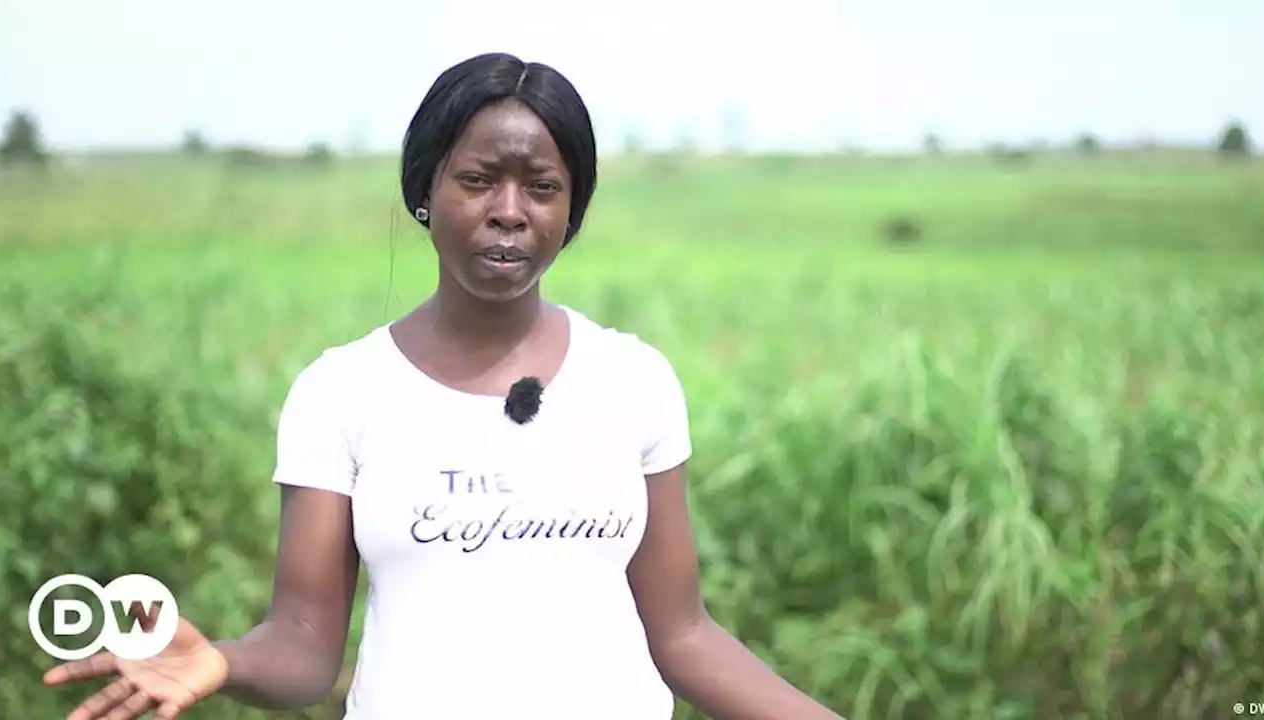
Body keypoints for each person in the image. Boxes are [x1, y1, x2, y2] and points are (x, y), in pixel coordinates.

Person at [42, 52, 845, 720]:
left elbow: (684, 636)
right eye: (478, 180)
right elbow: (303, 643)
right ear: (424, 192)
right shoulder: (343, 392)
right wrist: (221, 660)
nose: (509, 211)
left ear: (573, 212)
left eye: (542, 187)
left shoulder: (633, 381)